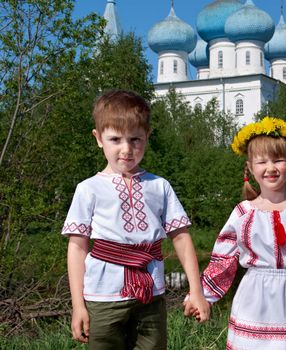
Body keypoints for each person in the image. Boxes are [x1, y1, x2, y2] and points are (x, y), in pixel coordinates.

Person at [62, 89, 210, 349]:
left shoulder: (159, 186)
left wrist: (196, 291)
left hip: (151, 294)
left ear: (147, 137)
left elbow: (181, 237)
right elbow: (77, 247)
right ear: (98, 139)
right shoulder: (89, 188)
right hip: (103, 295)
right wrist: (78, 305)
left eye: (135, 139)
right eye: (115, 139)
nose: (126, 149)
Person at [184, 117, 286, 349]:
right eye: (261, 162)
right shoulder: (243, 213)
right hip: (256, 300)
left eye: (278, 160)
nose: (270, 168)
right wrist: (201, 297)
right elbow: (223, 262)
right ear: (249, 167)